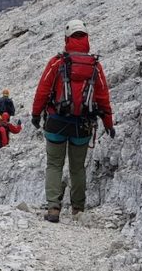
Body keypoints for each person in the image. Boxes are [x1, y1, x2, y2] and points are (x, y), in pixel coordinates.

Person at [30, 19, 115, 222]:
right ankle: (78, 209)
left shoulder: (57, 62)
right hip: (82, 126)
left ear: (67, 39)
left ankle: (53, 208)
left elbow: (43, 90)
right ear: (86, 39)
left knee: (54, 164)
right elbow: (103, 97)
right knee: (77, 167)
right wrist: (109, 123)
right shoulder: (95, 65)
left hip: (56, 123)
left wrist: (35, 114)